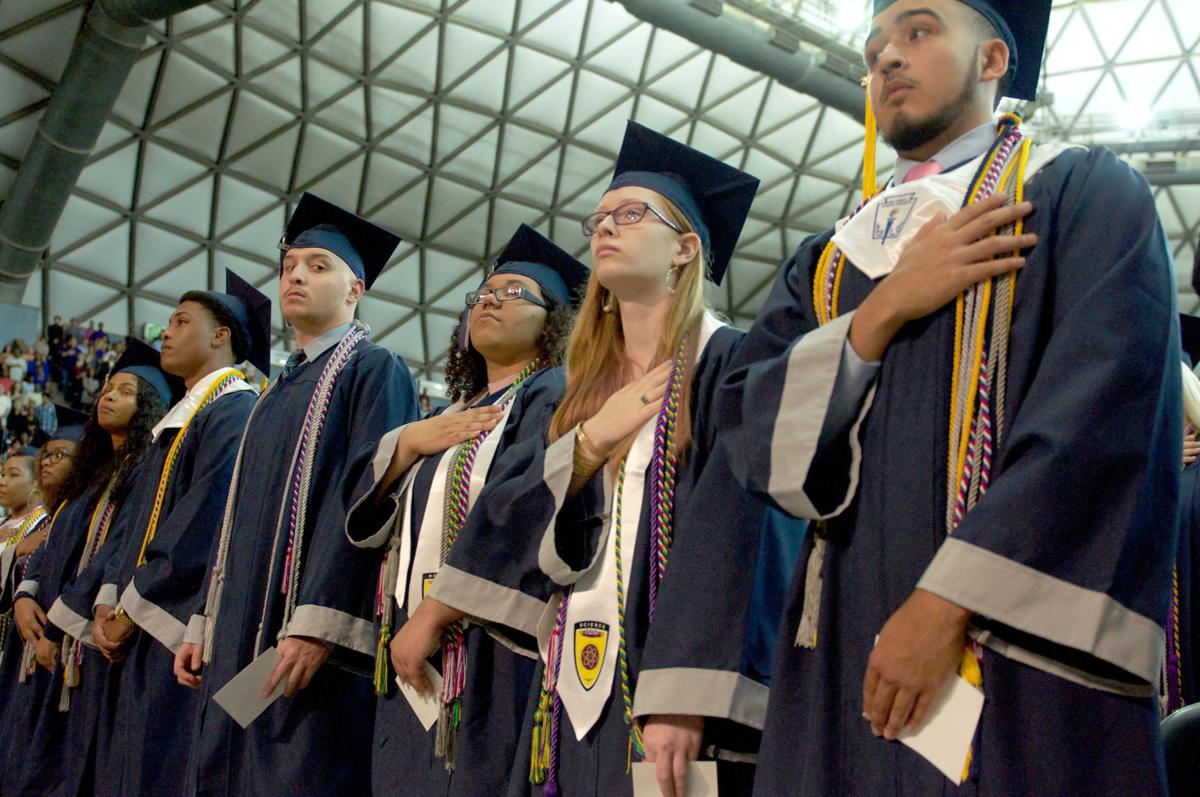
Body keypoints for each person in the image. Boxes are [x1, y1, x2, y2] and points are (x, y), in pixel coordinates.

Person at [718, 1, 1181, 793]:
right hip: (835, 663)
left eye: (919, 31)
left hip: (1008, 659)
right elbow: (751, 433)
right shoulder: (832, 259)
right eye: (875, 47)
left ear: (995, 60)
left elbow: (1099, 419)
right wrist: (885, 309)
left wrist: (945, 602)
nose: (887, 58)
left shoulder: (1082, 195)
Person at [174, 193, 420, 796]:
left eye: (318, 266)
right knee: (227, 774)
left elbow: (367, 497)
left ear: (355, 288)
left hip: (308, 639)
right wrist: (202, 620)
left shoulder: (374, 369)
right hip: (237, 636)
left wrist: (320, 621)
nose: (297, 277)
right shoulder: (274, 394)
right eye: (289, 267)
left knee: (294, 773)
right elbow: (234, 524)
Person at [346, 224, 586, 795]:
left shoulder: (552, 392)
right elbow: (367, 514)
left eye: (513, 294)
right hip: (409, 647)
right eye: (481, 295)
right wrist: (408, 444)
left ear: (551, 320)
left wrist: (434, 615)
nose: (490, 302)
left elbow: (522, 515)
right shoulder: (447, 417)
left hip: (486, 650)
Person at [52, 271, 269, 797]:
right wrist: (107, 602)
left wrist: (133, 605)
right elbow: (130, 527)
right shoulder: (177, 421)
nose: (165, 333)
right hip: (132, 625)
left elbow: (201, 519)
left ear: (221, 336)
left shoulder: (233, 410)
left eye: (180, 321)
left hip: (174, 629)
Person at [3, 340, 172, 795]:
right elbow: (51, 542)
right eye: (107, 389)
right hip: (43, 635)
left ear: (148, 407)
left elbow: (115, 554)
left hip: (82, 645)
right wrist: (24, 596)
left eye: (125, 391)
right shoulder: (93, 476)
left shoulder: (145, 473)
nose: (108, 397)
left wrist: (58, 624)